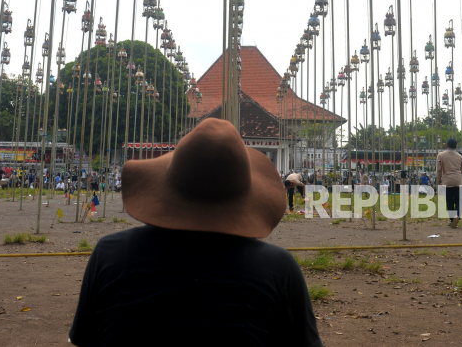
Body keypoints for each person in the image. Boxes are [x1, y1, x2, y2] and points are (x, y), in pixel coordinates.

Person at [69, 118, 322, 347]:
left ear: (166, 184)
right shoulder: (279, 269)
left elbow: (85, 339)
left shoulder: (109, 254)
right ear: (245, 196)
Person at [436, 138, 462, 229]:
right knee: (458, 201)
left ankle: (452, 219)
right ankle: (457, 216)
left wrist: (438, 181)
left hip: (447, 181)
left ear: (447, 145)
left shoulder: (441, 155)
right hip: (458, 180)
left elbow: (439, 170)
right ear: (456, 146)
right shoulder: (460, 156)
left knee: (449, 201)